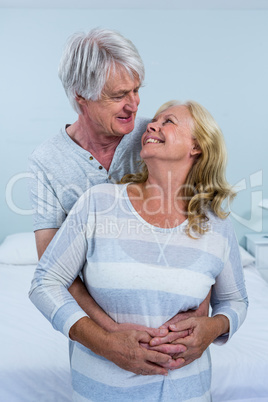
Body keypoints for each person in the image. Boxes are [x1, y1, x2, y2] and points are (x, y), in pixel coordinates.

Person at [29, 99, 248, 401]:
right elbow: (45, 283)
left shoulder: (216, 226)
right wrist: (104, 342)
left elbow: (235, 301)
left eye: (168, 121)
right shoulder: (99, 203)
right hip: (102, 391)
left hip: (188, 392)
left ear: (197, 146)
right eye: (154, 121)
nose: (152, 125)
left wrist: (213, 327)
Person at [28, 27, 211, 372]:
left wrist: (198, 317)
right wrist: (110, 335)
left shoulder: (154, 136)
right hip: (97, 330)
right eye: (117, 96)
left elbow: (202, 225)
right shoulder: (46, 162)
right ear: (81, 95)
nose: (133, 105)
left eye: (136, 90)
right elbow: (53, 272)